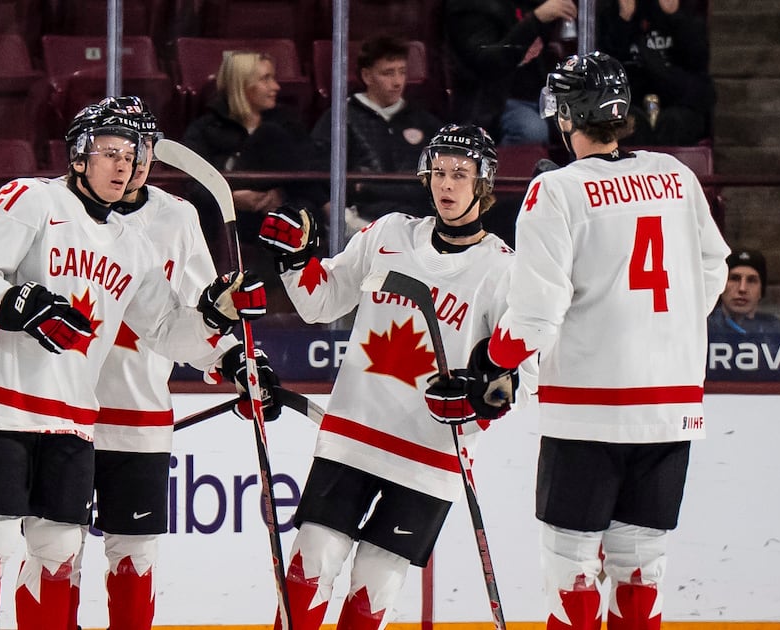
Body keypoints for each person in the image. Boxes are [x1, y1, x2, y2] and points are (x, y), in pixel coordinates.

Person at [0, 102, 275, 630]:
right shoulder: (30, 198)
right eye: (110, 153)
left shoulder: (134, 246)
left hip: (74, 419)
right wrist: (20, 304)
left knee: (58, 550)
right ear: (78, 156)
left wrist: (216, 313)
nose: (124, 165)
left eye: (132, 154)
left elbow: (167, 331)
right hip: (0, 408)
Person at [463, 51, 729, 630]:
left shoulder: (555, 192)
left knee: (572, 567)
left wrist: (493, 359)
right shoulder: (677, 176)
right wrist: (667, 325)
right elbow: (712, 270)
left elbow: (535, 315)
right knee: (641, 567)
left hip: (589, 410)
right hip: (669, 408)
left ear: (564, 117)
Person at [257, 124, 525, 628]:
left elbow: (519, 376)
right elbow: (322, 300)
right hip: (352, 438)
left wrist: (478, 403)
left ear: (483, 183)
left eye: (461, 174)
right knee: (313, 559)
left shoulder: (503, 271)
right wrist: (296, 262)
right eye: (440, 171)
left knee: (376, 584)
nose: (447, 184)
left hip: (429, 457)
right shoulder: (389, 233)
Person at [72, 95, 262, 629]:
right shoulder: (59, 210)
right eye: (124, 147)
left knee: (134, 555)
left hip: (139, 417)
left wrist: (238, 360)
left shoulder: (176, 216)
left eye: (145, 147)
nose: (135, 160)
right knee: (52, 552)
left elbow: (202, 311)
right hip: (64, 414)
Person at [182, 50, 323, 247]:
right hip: (227, 219)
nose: (276, 86)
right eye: (266, 79)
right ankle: (337, 215)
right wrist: (230, 198)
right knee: (269, 134)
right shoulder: (205, 129)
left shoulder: (288, 124)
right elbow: (191, 184)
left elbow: (310, 170)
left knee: (302, 208)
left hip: (278, 218)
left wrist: (280, 193)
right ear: (242, 85)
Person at [309, 35, 442, 237]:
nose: (397, 82)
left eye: (402, 72)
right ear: (367, 76)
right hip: (361, 223)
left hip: (420, 222)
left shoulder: (424, 121)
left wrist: (368, 187)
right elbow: (317, 172)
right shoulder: (339, 118)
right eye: (388, 73)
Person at [444, 0, 577, 145]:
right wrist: (536, 19)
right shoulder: (469, 6)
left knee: (587, 122)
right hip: (491, 101)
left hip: (541, 95)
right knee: (531, 130)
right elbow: (486, 62)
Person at [598, 0, 714, 147]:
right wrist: (624, 18)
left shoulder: (688, 11)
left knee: (674, 122)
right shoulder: (610, 12)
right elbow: (607, 67)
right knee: (630, 122)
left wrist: (675, 14)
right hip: (630, 101)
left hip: (678, 100)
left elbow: (698, 63)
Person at [706, 248, 780, 335]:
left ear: (761, 291)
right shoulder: (704, 327)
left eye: (751, 280)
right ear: (722, 285)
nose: (742, 288)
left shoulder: (777, 330)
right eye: (734, 278)